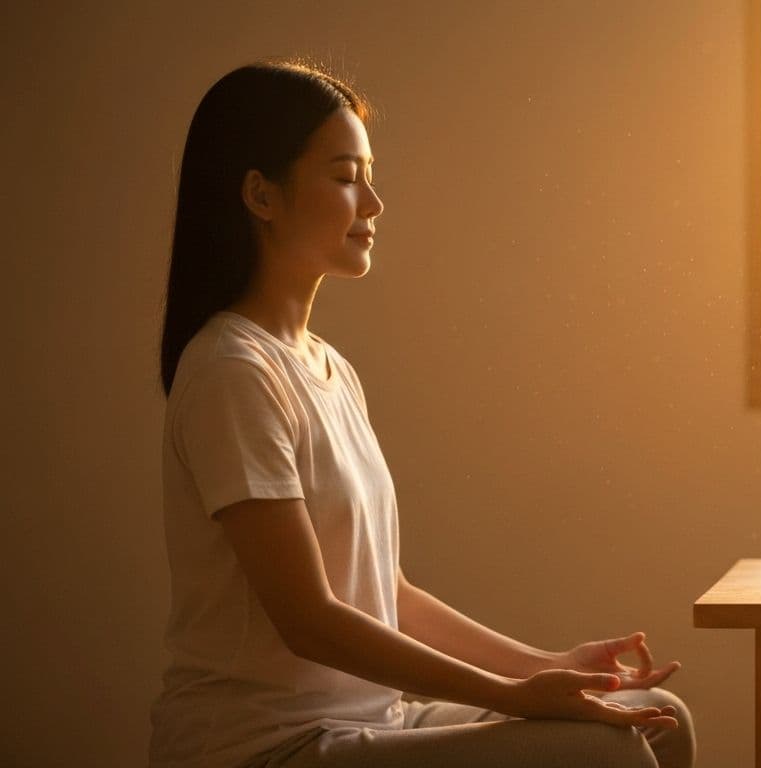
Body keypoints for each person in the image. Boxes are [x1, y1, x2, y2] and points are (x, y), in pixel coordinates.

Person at [149, 59, 694, 768]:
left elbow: (387, 593)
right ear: (261, 194)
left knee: (660, 720)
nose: (372, 203)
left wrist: (540, 665)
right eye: (346, 176)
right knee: (606, 754)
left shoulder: (326, 367)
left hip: (373, 717)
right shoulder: (232, 372)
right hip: (269, 744)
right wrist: (512, 695)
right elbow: (309, 621)